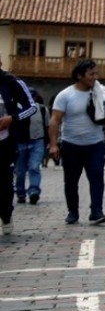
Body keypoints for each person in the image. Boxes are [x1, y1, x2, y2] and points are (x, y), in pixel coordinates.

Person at [48, 59, 105, 226]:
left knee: (97, 177)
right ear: (79, 76)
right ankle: (73, 211)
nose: (95, 77)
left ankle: (96, 211)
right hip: (71, 144)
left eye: (96, 73)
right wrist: (53, 144)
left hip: (95, 144)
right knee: (71, 180)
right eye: (91, 74)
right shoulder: (65, 95)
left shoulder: (100, 93)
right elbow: (54, 120)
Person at [0, 61, 37, 236]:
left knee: (5, 183)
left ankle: (6, 215)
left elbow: (32, 107)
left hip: (6, 141)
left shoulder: (11, 82)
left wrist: (12, 119)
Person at [14, 89, 48, 209]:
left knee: (34, 167)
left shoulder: (42, 109)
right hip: (20, 142)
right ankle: (20, 192)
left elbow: (47, 126)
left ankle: (34, 191)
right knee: (20, 171)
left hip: (37, 140)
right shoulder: (16, 108)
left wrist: (48, 143)